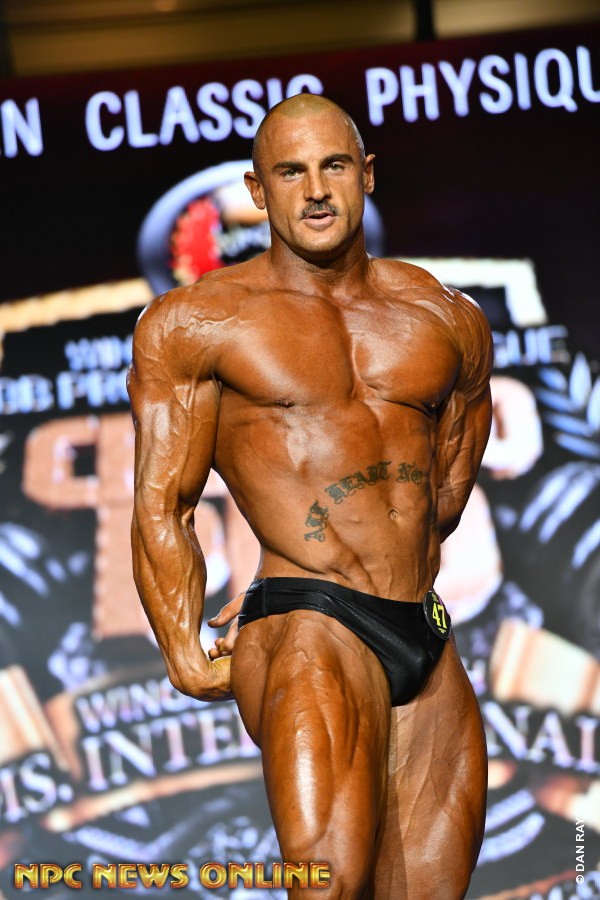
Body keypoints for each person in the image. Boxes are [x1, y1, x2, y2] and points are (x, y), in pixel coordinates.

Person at [128, 93, 492, 899]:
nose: (316, 190)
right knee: (326, 887)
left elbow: (450, 476)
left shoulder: (444, 315)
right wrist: (183, 650)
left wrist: (374, 538)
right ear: (258, 192)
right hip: (311, 621)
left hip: (423, 628)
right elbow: (163, 500)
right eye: (290, 173)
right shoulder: (199, 323)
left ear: (367, 174)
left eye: (334, 166)